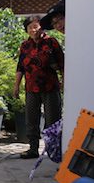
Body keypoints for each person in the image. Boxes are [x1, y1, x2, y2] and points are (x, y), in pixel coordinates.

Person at [13, 15, 65, 159]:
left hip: (50, 87)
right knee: (31, 119)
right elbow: (20, 67)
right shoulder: (25, 45)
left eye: (35, 26)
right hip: (31, 88)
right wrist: (16, 86)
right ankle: (33, 148)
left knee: (53, 119)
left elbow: (62, 63)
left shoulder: (51, 42)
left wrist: (64, 81)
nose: (33, 30)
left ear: (41, 27)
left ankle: (53, 150)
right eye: (30, 27)